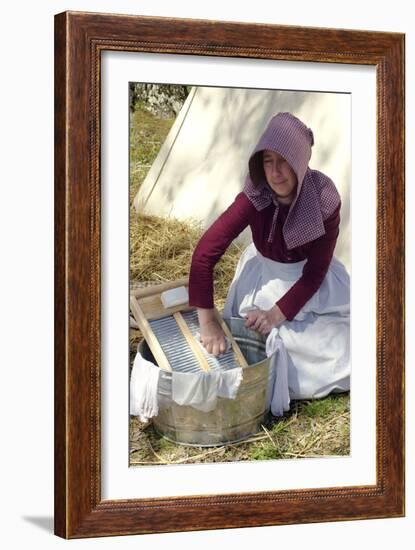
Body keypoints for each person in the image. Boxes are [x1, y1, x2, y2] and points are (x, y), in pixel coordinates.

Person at [188, 111, 350, 401]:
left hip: (309, 284)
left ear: (300, 161)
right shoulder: (256, 194)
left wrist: (276, 313)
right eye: (268, 161)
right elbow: (204, 254)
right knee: (260, 343)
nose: (275, 173)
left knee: (331, 350)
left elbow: (314, 274)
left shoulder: (324, 200)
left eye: (284, 161)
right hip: (263, 276)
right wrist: (208, 322)